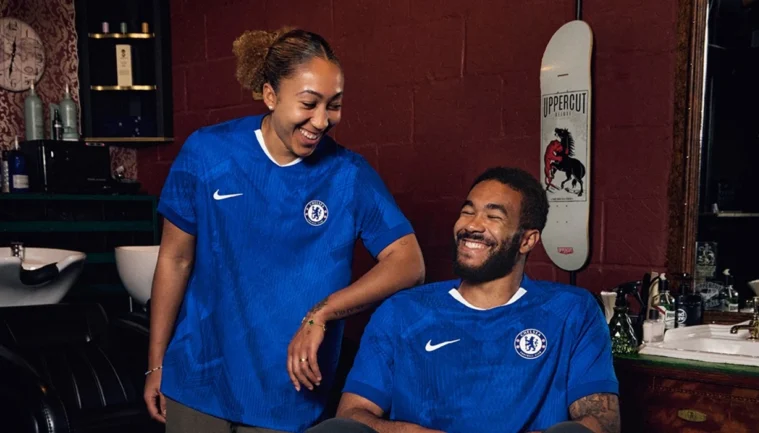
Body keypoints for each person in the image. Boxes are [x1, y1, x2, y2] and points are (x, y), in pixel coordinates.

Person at [143, 27, 425, 433]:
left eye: (334, 105)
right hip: (197, 384)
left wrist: (322, 313)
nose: (322, 121)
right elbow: (175, 259)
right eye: (309, 103)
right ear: (270, 95)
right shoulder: (207, 153)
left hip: (286, 397)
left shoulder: (348, 175)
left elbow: (409, 262)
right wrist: (156, 364)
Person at [308, 167, 620, 433]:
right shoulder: (401, 311)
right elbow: (352, 415)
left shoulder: (572, 311)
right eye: (467, 211)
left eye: (493, 216)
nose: (471, 225)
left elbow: (603, 421)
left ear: (527, 240)